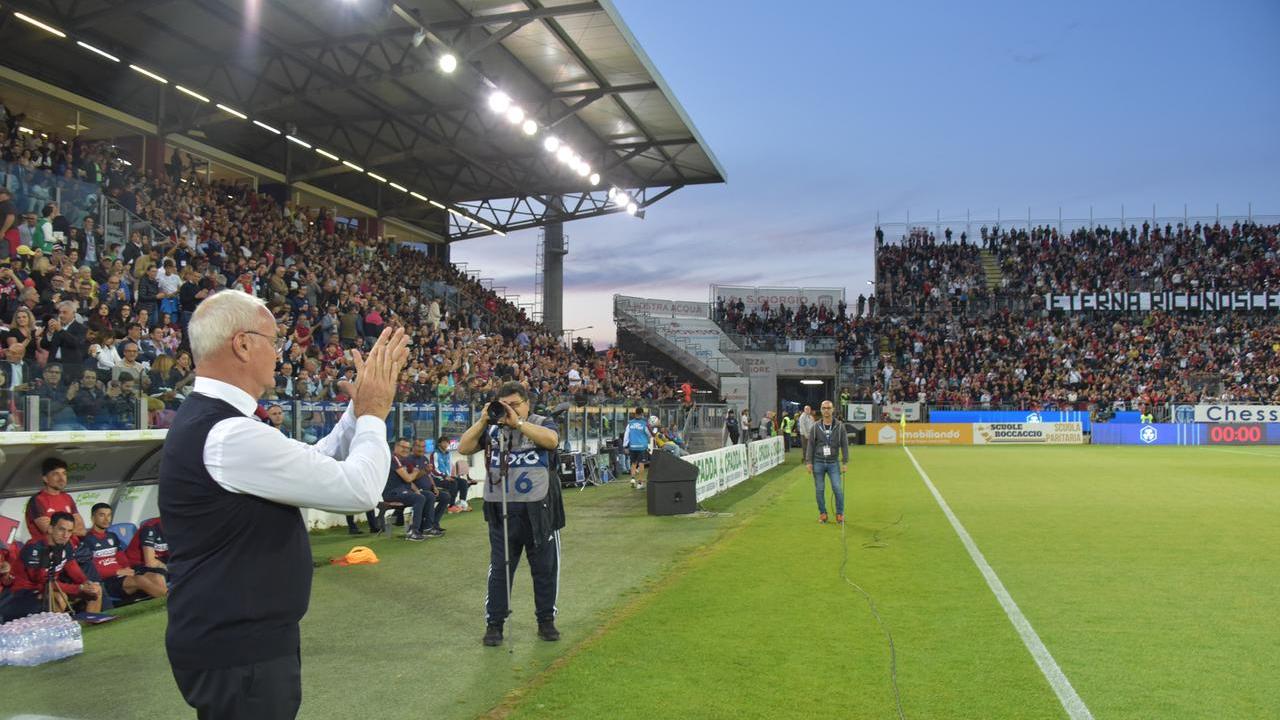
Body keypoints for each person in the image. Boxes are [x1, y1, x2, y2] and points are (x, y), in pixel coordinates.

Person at [158, 289, 408, 720]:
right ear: (242, 344)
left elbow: (314, 461)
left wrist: (354, 412)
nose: (281, 352)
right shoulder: (228, 434)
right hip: (239, 649)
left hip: (238, 643)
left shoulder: (220, 423)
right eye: (274, 340)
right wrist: (372, 415)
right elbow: (359, 491)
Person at [457, 381, 563, 647]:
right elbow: (464, 447)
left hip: (540, 511)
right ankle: (494, 624)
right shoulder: (492, 427)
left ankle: (545, 621)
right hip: (502, 510)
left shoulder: (542, 422)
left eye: (515, 405)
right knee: (500, 571)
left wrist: (518, 423)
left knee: (545, 570)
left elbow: (551, 441)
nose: (510, 410)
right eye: (505, 405)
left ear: (527, 403)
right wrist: (484, 420)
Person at [1, 512, 102, 621]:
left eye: (69, 531)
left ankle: (90, 628)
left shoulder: (66, 544)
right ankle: (54, 631)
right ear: (50, 529)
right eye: (61, 529)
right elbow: (43, 582)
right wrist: (79, 588)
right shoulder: (34, 548)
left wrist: (86, 582)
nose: (65, 535)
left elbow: (72, 567)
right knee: (59, 598)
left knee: (96, 589)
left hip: (49, 588)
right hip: (23, 593)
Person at [81, 503, 167, 605]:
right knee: (139, 580)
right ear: (93, 518)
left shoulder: (112, 536)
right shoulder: (86, 539)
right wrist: (117, 571)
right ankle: (172, 600)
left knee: (156, 576)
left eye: (109, 515)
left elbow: (121, 557)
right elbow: (91, 569)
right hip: (107, 581)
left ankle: (163, 606)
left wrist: (127, 569)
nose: (106, 519)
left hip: (123, 575)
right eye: (102, 515)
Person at [804, 400, 849, 524]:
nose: (826, 410)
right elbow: (811, 445)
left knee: (837, 488)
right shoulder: (815, 426)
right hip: (818, 462)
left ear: (833, 409)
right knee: (820, 489)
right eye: (824, 408)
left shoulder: (840, 426)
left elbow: (844, 445)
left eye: (828, 408)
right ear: (821, 409)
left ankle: (840, 514)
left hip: (833, 462)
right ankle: (823, 513)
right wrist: (808, 462)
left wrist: (845, 462)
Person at [25, 457, 87, 543]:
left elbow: (82, 530)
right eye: (56, 474)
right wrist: (71, 530)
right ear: (45, 479)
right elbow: (51, 533)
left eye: (64, 474)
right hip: (45, 552)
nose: (61, 478)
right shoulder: (38, 500)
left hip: (71, 550)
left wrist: (60, 529)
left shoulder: (67, 498)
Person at [622, 406, 652, 489]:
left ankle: (632, 479)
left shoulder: (630, 423)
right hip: (642, 447)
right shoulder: (644, 424)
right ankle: (640, 483)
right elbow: (649, 434)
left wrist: (625, 446)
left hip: (632, 447)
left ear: (635, 414)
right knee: (641, 464)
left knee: (633, 463)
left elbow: (626, 435)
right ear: (642, 414)